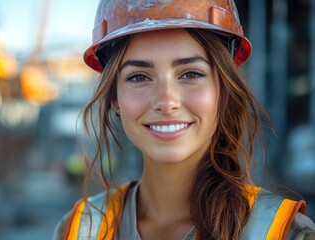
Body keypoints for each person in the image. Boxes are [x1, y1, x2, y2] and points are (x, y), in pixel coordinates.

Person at [53, 0, 315, 239]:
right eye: (139, 77)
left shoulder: (285, 232)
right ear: (114, 98)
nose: (167, 102)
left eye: (190, 74)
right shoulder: (78, 230)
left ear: (222, 90)